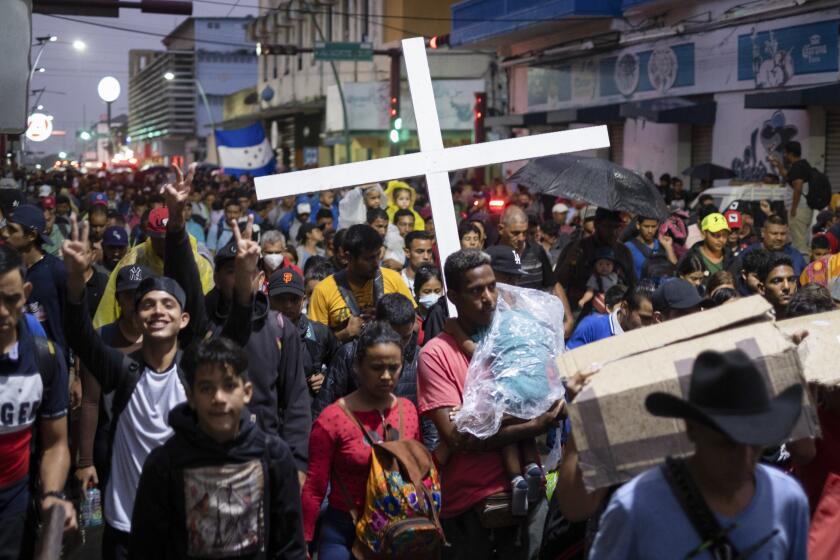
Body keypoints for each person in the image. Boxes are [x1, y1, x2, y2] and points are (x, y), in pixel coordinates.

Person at [62, 166, 254, 559]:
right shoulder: (121, 369)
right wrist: (76, 285)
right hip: (125, 528)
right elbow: (80, 335)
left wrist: (246, 282)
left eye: (168, 304)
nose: (157, 311)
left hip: (184, 526)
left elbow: (235, 336)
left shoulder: (195, 372)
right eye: (147, 304)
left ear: (183, 319)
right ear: (136, 314)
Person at [589, 349, 809, 559]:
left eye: (755, 443)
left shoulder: (788, 499)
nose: (745, 458)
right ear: (692, 428)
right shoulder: (634, 509)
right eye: (726, 444)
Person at [417, 249, 564, 559]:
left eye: (492, 286)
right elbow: (458, 437)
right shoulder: (436, 355)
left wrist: (556, 403)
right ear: (453, 296)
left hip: (530, 500)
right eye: (475, 291)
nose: (488, 297)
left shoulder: (517, 335)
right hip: (473, 508)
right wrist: (534, 425)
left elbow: (546, 391)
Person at [129, 337, 306, 559]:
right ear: (191, 398)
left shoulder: (274, 457)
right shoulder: (164, 464)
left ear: (247, 392)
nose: (218, 398)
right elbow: (146, 549)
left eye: (229, 385)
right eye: (206, 388)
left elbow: (290, 547)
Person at [301, 321, 423, 558]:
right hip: (343, 532)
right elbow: (315, 486)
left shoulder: (408, 410)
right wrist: (304, 540)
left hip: (397, 531)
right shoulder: (332, 418)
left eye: (394, 367)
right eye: (377, 367)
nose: (386, 376)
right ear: (357, 366)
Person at [0, 245, 76, 558]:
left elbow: (55, 444)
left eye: (11, 299)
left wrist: (53, 494)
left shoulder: (46, 357)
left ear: (26, 292)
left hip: (14, 517)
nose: (2, 311)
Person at [74, 264, 150, 494]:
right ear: (118, 299)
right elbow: (90, 402)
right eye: (129, 296)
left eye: (142, 296)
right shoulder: (101, 340)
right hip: (111, 444)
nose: (135, 303)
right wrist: (85, 461)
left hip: (152, 445)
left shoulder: (162, 339)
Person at [92, 206, 215, 329]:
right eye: (159, 239)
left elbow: (205, 310)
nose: (164, 243)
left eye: (169, 238)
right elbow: (110, 304)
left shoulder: (199, 265)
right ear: (149, 235)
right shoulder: (134, 260)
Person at [308, 224, 415, 342]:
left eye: (378, 255)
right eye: (368, 258)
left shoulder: (393, 279)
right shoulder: (323, 291)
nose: (376, 263)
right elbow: (313, 342)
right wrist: (345, 333)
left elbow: (415, 325)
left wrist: (387, 322)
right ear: (348, 257)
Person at [268, 267, 340, 413]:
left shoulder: (318, 333)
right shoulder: (258, 333)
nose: (287, 305)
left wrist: (325, 379)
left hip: (308, 416)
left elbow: (341, 365)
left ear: (303, 300)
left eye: (294, 299)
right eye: (281, 299)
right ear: (268, 298)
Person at [3, 204, 68, 354]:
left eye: (12, 230)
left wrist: (76, 370)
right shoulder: (8, 271)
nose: (5, 234)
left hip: (51, 361)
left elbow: (74, 321)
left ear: (31, 236)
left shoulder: (57, 271)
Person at [555, 208, 635, 306]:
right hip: (580, 309)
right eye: (608, 227)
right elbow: (557, 283)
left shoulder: (623, 251)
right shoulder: (577, 248)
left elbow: (632, 283)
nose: (614, 232)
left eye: (617, 227)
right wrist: (569, 262)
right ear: (596, 225)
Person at [566, 283, 654, 349]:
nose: (651, 325)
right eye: (645, 318)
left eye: (653, 319)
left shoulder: (653, 337)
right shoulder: (591, 327)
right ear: (624, 308)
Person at [770, 141, 815, 257]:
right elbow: (788, 177)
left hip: (799, 209)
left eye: (785, 153)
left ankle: (802, 271)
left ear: (790, 153)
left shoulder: (798, 167)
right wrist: (779, 165)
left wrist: (794, 208)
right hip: (802, 209)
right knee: (800, 241)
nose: (784, 155)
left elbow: (798, 187)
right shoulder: (800, 165)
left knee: (800, 245)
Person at [498, 206, 554, 292]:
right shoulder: (491, 256)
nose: (521, 238)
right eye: (515, 233)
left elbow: (551, 284)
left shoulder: (537, 251)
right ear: (501, 229)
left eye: (524, 232)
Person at [679, 212, 738, 289]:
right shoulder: (689, 258)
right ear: (704, 234)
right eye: (716, 235)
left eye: (725, 235)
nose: (721, 239)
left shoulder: (732, 259)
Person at [739, 214, 807, 277]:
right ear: (763, 233)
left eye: (783, 234)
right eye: (774, 233)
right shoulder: (748, 254)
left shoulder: (795, 256)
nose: (779, 238)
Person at [578, 247, 621, 311]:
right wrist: (583, 300)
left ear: (613, 266)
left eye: (608, 264)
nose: (604, 267)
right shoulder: (594, 278)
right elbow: (589, 292)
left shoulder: (614, 275)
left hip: (612, 303)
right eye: (600, 264)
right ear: (595, 266)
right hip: (598, 305)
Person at [758, 252, 798, 319]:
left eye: (791, 280)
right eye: (777, 281)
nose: (786, 287)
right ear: (762, 288)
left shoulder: (806, 317)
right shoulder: (753, 324)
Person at [400, 231, 434, 299]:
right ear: (407, 252)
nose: (426, 257)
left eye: (429, 251)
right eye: (420, 251)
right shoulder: (398, 280)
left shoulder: (439, 281)